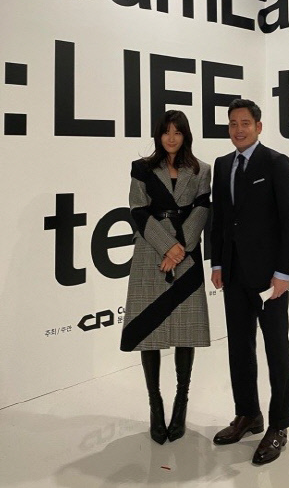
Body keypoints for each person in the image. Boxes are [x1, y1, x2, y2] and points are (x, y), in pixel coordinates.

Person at [210, 98, 289, 465]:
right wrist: (217, 263)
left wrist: (284, 272)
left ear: (259, 127)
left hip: (269, 278)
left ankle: (278, 425)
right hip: (233, 274)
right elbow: (219, 219)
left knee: (276, 349)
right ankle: (248, 414)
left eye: (245, 123)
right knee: (239, 347)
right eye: (233, 123)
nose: (239, 130)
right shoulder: (223, 165)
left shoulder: (276, 163)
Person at [120, 110, 211, 445]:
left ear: (186, 135)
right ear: (158, 135)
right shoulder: (142, 168)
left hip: (186, 255)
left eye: (178, 132)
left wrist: (180, 248)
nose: (171, 138)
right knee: (149, 330)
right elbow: (137, 209)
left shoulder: (201, 170)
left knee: (186, 331)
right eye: (166, 132)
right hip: (151, 252)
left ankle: (180, 403)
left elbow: (202, 209)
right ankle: (155, 405)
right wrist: (166, 247)